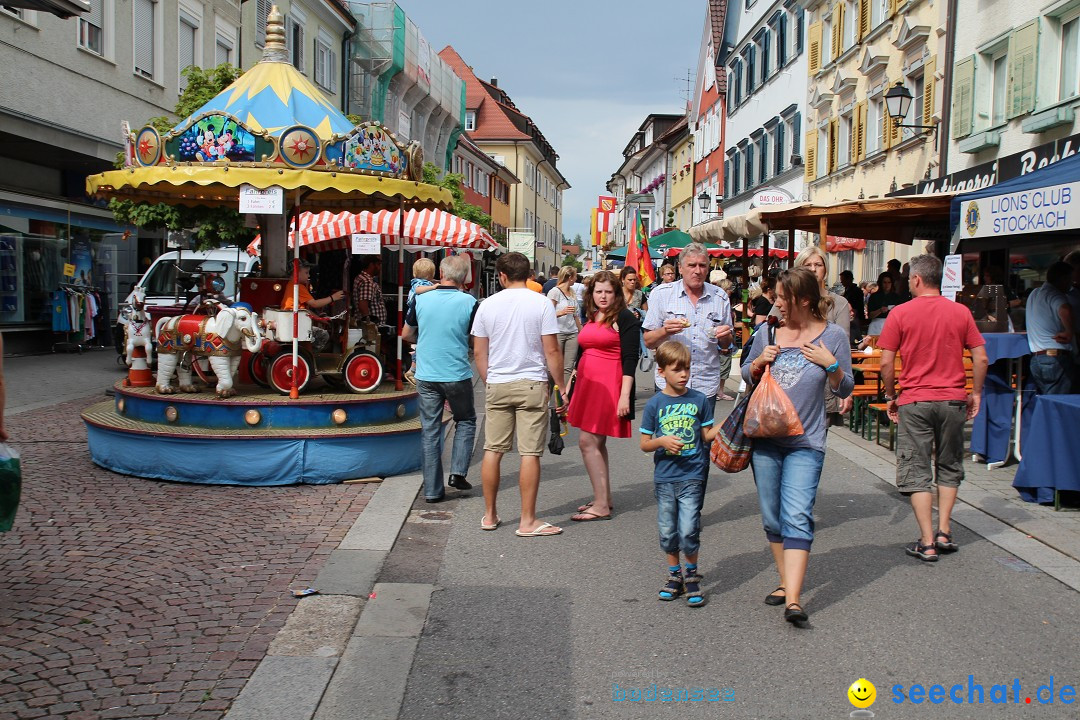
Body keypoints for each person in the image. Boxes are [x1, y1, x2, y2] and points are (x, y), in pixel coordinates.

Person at [741, 266, 854, 625]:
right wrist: (758, 362)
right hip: (766, 439)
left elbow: (845, 387)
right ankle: (785, 580)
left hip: (807, 441)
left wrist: (831, 364)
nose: (776, 303)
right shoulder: (768, 331)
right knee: (772, 515)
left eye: (782, 297)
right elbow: (745, 372)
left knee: (798, 515)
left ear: (803, 299)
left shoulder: (832, 336)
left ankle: (793, 599)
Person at [879, 254, 988, 563]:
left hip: (915, 399)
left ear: (916, 280)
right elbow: (981, 358)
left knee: (917, 469)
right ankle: (944, 531)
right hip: (953, 398)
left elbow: (887, 363)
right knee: (950, 464)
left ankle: (927, 541)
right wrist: (975, 394)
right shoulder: (960, 312)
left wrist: (890, 395)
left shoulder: (900, 313)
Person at [472, 252, 565, 537]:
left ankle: (489, 515)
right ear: (529, 274)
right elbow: (551, 350)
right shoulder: (541, 303)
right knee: (529, 453)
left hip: (498, 382)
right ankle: (527, 521)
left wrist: (490, 380)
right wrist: (561, 386)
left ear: (500, 276)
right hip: (532, 383)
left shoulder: (487, 305)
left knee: (493, 450)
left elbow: (479, 351)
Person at [640, 341, 716, 607]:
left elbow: (706, 436)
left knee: (688, 529)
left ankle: (692, 575)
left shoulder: (699, 400)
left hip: (692, 475)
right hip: (665, 478)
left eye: (686, 369)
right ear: (661, 372)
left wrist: (727, 425)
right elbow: (644, 443)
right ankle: (675, 576)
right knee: (667, 530)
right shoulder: (655, 404)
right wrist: (662, 441)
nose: (683, 374)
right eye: (676, 369)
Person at [402, 256, 478, 503]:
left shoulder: (420, 299)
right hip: (456, 372)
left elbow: (406, 334)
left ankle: (433, 491)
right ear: (464, 277)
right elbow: (476, 338)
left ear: (441, 273)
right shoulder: (470, 302)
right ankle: (457, 472)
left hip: (426, 373)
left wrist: (424, 343)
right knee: (465, 420)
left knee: (430, 430)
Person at [566, 270, 639, 522]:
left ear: (616, 293)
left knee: (587, 442)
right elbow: (580, 354)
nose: (603, 296)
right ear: (591, 293)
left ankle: (600, 504)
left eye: (608, 291)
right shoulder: (593, 314)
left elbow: (631, 359)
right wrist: (569, 386)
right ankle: (603, 497)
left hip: (609, 386)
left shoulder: (624, 317)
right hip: (588, 384)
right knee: (596, 443)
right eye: (599, 291)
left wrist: (624, 396)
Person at [643, 243, 735, 404]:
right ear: (680, 268)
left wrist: (725, 337)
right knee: (669, 430)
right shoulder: (662, 294)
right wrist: (665, 331)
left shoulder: (720, 297)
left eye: (702, 265)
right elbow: (648, 341)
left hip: (705, 384)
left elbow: (728, 347)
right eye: (692, 265)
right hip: (669, 384)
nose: (697, 271)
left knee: (704, 430)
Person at [1025, 261, 1074, 395]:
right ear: (1063, 279)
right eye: (1070, 280)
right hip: (1055, 359)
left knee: (1047, 403)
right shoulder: (1055, 294)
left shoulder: (1035, 293)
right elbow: (1065, 309)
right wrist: (1070, 332)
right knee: (1058, 405)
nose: (1071, 284)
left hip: (1037, 359)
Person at [281, 260, 344, 352]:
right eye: (306, 273)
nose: (309, 276)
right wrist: (333, 297)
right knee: (323, 335)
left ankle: (306, 354)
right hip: (295, 324)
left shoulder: (291, 285)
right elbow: (314, 304)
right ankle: (308, 355)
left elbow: (305, 311)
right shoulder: (298, 287)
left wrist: (320, 319)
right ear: (296, 273)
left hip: (293, 322)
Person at [547, 266, 580, 384]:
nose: (576, 278)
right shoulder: (554, 292)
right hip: (558, 333)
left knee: (568, 367)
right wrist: (562, 312)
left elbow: (576, 315)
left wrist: (581, 332)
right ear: (570, 277)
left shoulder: (572, 292)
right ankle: (547, 396)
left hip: (572, 333)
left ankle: (563, 399)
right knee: (554, 367)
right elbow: (547, 314)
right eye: (575, 276)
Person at [352, 255, 386, 325]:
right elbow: (363, 304)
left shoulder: (360, 277)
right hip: (372, 326)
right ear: (371, 265)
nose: (380, 268)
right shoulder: (367, 281)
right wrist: (368, 324)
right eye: (378, 264)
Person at [839, 270, 865, 341]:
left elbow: (857, 306)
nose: (842, 283)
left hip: (855, 317)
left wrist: (853, 315)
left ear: (849, 279)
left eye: (843, 281)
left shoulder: (855, 291)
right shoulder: (847, 290)